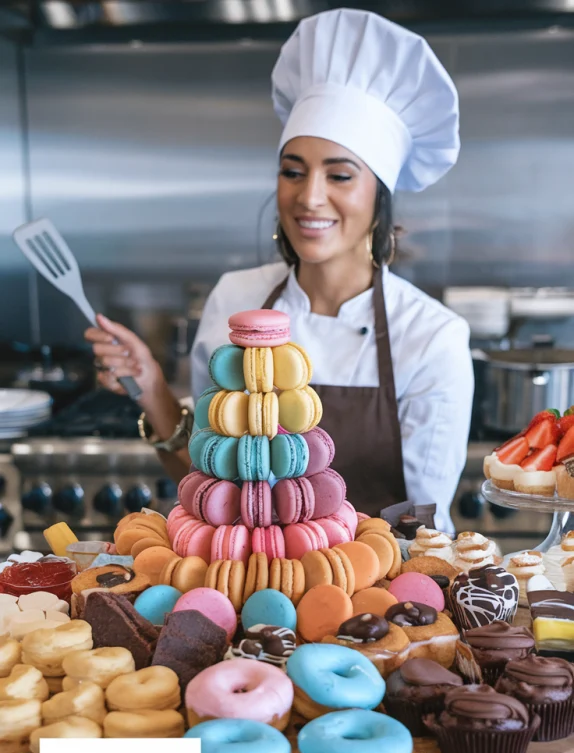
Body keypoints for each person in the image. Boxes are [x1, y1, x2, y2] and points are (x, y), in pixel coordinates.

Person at [87, 9, 473, 531]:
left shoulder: (431, 337)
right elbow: (205, 485)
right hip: (241, 594)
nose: (309, 197)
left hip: (375, 601)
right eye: (293, 172)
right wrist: (152, 388)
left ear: (380, 198)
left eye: (339, 174)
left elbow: (423, 531)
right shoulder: (233, 301)